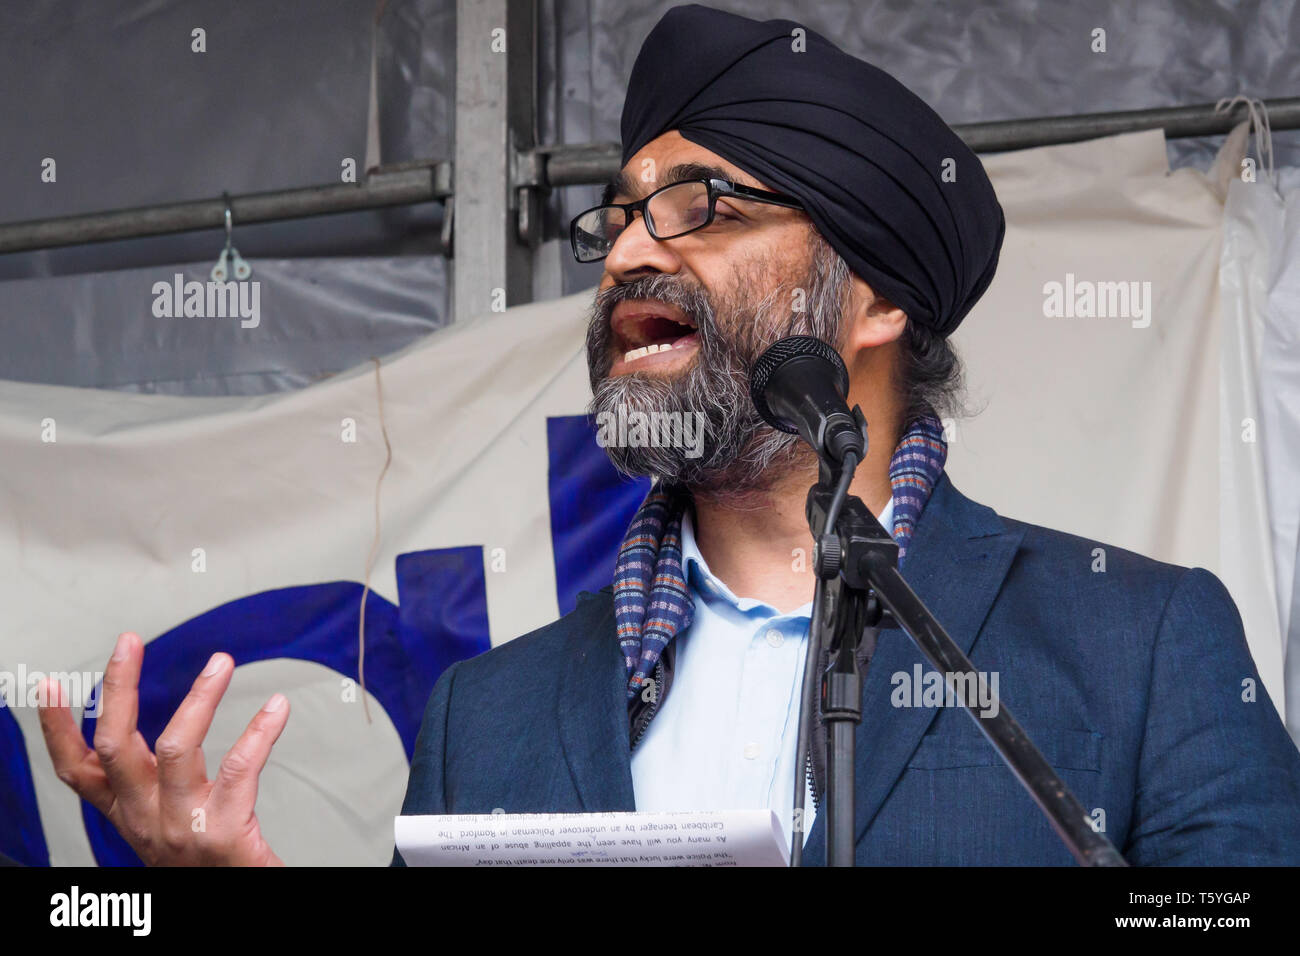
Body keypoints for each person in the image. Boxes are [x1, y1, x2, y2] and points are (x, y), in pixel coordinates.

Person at [37, 4, 1300, 866]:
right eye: (621, 216)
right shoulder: (488, 714)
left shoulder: (1139, 645)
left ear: (872, 298)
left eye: (699, 203)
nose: (632, 247)